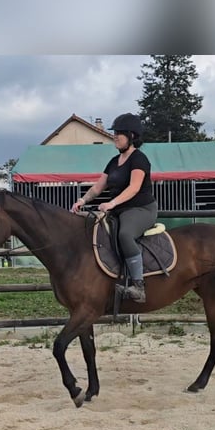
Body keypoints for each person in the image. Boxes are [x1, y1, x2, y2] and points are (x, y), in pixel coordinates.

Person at [70, 112, 157, 303]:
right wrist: (82, 201)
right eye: (115, 132)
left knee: (125, 234)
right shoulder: (113, 162)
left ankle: (138, 286)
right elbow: (98, 187)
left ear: (132, 136)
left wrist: (112, 203)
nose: (115, 136)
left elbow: (134, 188)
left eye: (120, 133)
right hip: (118, 210)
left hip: (141, 209)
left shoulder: (139, 159)